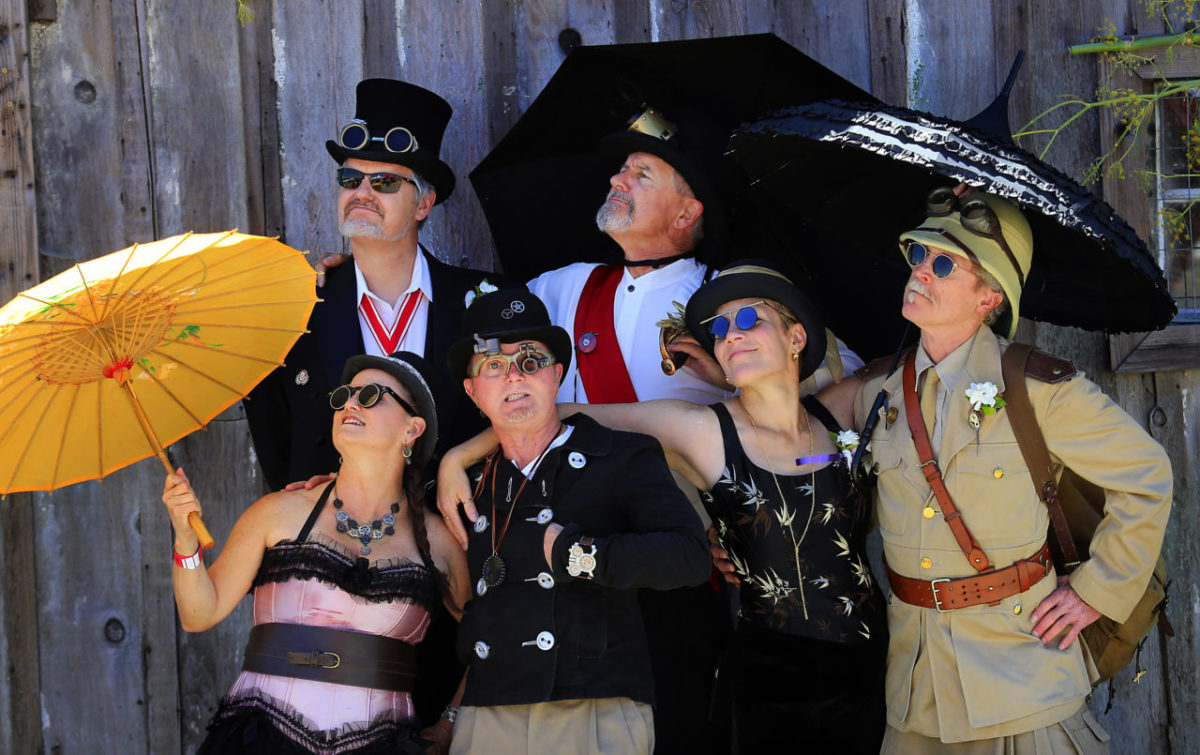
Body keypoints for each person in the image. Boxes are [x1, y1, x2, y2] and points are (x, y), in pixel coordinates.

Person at [440, 262, 888, 752]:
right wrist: (457, 456)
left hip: (870, 657)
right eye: (718, 329)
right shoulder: (696, 428)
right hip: (769, 667)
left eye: (747, 321)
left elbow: (908, 362)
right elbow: (557, 412)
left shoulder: (841, 409)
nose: (729, 336)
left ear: (797, 336)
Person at [851, 189, 1172, 752]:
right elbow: (799, 446)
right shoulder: (873, 392)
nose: (922, 271)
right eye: (919, 255)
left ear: (989, 296)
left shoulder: (1036, 390)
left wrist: (1099, 590)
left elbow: (1145, 473)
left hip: (1022, 684)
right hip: (914, 693)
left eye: (945, 264)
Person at [441, 288, 711, 755]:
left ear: (557, 376)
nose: (514, 378)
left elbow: (688, 557)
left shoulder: (619, 455)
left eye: (531, 361)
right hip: (488, 712)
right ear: (472, 391)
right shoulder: (463, 482)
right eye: (493, 366)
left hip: (594, 702)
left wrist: (580, 556)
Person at [163, 351, 470, 754]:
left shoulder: (440, 541)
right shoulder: (280, 512)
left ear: (412, 428)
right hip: (263, 742)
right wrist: (185, 542)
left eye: (371, 394)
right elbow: (198, 614)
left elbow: (490, 641)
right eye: (344, 395)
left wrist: (448, 724)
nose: (350, 404)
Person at [245, 78, 510, 493]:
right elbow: (278, 448)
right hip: (331, 540)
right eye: (351, 179)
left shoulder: (490, 302)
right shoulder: (294, 311)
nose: (362, 193)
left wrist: (459, 460)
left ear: (423, 203)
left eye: (385, 182)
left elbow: (525, 418)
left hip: (458, 541)